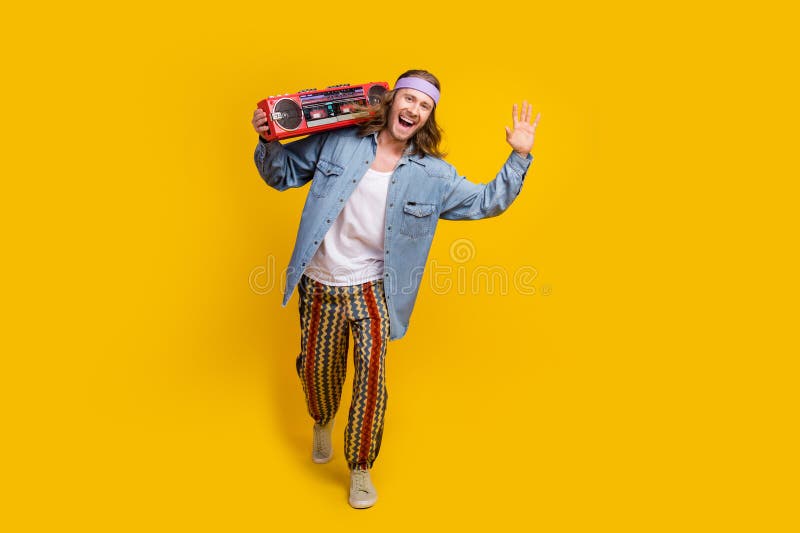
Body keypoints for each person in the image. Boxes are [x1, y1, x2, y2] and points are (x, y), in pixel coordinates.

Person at [251, 69, 540, 509]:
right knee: (317, 373)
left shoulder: (435, 175)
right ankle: (322, 418)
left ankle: (361, 466)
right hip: (320, 278)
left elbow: (485, 201)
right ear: (391, 102)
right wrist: (269, 139)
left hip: (373, 289)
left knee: (371, 379)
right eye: (409, 99)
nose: (414, 110)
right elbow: (282, 174)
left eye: (424, 106)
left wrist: (518, 157)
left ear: (429, 117)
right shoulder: (340, 139)